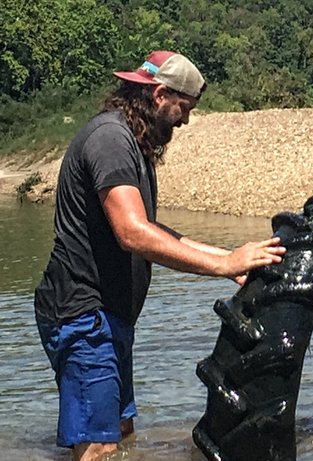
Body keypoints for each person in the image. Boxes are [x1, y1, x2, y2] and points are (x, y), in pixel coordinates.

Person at [33, 50, 286, 461]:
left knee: (121, 435)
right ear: (159, 95)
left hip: (107, 317)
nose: (185, 120)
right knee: (99, 446)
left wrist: (230, 259)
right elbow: (133, 233)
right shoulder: (111, 140)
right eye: (183, 108)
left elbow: (154, 231)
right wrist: (222, 264)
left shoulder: (131, 143)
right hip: (82, 315)